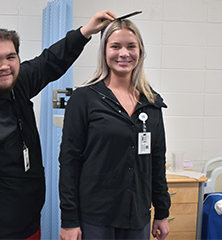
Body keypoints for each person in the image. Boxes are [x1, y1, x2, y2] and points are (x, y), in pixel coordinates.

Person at [0, 10, 115, 240]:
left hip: (27, 225)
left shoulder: (15, 85)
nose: (4, 66)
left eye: (11, 57)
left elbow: (48, 62)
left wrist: (85, 32)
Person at [58, 19, 170, 240]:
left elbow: (157, 161)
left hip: (137, 216)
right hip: (95, 218)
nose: (124, 53)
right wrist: (69, 220)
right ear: (104, 52)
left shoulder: (151, 102)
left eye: (131, 46)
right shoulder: (84, 99)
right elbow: (69, 162)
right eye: (115, 46)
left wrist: (162, 212)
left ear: (140, 52)